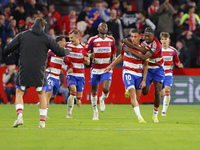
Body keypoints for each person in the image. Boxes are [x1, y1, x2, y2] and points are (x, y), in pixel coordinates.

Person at [4, 17, 70, 128]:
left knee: (19, 92)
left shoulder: (22, 35)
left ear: (33, 25)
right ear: (43, 27)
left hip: (24, 68)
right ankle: (42, 122)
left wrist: (8, 53)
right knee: (42, 94)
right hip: (39, 70)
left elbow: (8, 48)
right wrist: (68, 50)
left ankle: (20, 116)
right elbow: (59, 51)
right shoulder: (47, 38)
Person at [105, 28, 148, 123]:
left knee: (137, 97)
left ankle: (127, 89)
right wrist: (110, 66)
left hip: (138, 73)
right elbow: (121, 56)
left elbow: (145, 64)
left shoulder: (144, 48)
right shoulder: (126, 45)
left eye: (135, 37)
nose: (133, 39)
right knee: (132, 94)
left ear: (140, 37)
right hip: (128, 71)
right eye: (132, 36)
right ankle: (140, 117)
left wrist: (144, 80)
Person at [122, 27, 164, 123]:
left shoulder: (157, 45)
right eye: (146, 36)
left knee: (157, 92)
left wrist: (131, 50)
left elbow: (145, 56)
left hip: (158, 68)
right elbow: (125, 40)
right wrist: (134, 47)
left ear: (153, 36)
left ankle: (155, 115)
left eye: (149, 36)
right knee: (144, 92)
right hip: (147, 68)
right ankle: (128, 87)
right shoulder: (142, 39)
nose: (147, 38)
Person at [85, 22, 116, 120]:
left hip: (107, 68)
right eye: (101, 26)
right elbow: (84, 51)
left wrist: (114, 57)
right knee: (94, 91)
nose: (103, 28)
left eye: (105, 26)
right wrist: (89, 55)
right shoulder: (93, 39)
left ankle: (102, 99)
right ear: (98, 29)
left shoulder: (111, 39)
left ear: (107, 29)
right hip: (95, 69)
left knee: (106, 89)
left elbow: (114, 49)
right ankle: (95, 113)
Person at [45, 35, 73, 117]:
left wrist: (70, 68)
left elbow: (68, 63)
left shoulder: (63, 54)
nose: (66, 42)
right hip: (49, 74)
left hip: (57, 77)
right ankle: (44, 113)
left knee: (53, 96)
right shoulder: (51, 51)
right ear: (59, 43)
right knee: (48, 93)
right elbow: (43, 57)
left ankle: (42, 103)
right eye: (64, 41)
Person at [65, 30, 90, 118]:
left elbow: (87, 62)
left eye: (72, 38)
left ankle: (78, 99)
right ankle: (69, 113)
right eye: (69, 38)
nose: (70, 39)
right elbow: (64, 58)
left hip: (80, 75)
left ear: (77, 37)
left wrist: (87, 60)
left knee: (79, 96)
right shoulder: (67, 46)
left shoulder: (84, 47)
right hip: (71, 74)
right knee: (73, 91)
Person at [159, 32, 183, 116]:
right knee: (161, 93)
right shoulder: (158, 50)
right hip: (159, 73)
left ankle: (163, 111)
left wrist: (178, 64)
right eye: (163, 39)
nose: (164, 41)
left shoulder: (173, 51)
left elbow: (176, 60)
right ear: (160, 40)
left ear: (169, 40)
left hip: (168, 72)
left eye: (166, 39)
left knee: (167, 89)